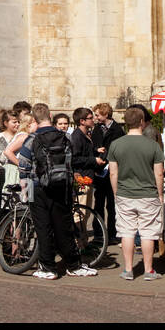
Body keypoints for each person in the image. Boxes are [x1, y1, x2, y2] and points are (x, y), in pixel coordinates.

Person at [22, 102, 97, 280]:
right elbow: (70, 165)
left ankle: (48, 267)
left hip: (38, 188)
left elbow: (24, 168)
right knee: (64, 227)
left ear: (34, 119)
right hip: (62, 187)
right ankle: (73, 265)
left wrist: (25, 195)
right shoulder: (65, 137)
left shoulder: (31, 139)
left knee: (43, 228)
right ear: (50, 116)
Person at [107, 106, 165, 281]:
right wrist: (160, 194)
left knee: (127, 232)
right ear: (141, 122)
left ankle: (128, 269)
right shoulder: (153, 145)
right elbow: (159, 173)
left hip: (125, 193)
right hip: (148, 194)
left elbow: (113, 172)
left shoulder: (116, 144)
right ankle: (148, 270)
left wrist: (116, 192)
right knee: (148, 233)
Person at [92, 103, 124, 246]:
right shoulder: (97, 129)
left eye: (98, 115)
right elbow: (93, 145)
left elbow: (119, 149)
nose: (96, 117)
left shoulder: (117, 130)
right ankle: (98, 233)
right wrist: (96, 151)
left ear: (105, 114)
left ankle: (112, 233)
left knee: (111, 205)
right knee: (98, 203)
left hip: (112, 170)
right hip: (99, 172)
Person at [0, 110, 21, 186]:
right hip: (4, 173)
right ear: (6, 123)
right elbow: (1, 157)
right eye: (14, 122)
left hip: (19, 174)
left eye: (19, 122)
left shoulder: (20, 136)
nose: (17, 124)